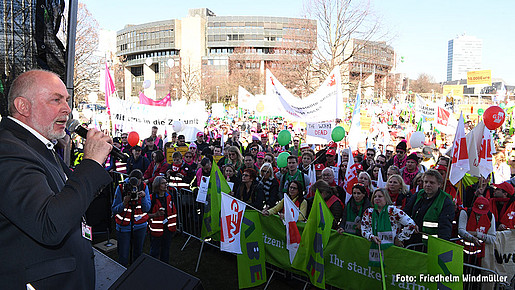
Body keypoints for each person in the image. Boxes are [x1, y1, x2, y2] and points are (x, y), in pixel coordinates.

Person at [0, 70, 113, 288]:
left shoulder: (40, 147)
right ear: (23, 106)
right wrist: (90, 164)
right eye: (56, 99)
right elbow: (48, 223)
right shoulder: (8, 150)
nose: (67, 109)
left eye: (67, 100)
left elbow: (65, 201)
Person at [404, 169, 455, 244]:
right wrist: (410, 224)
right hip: (412, 240)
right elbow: (406, 212)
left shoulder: (445, 201)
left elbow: (445, 228)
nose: (428, 185)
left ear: (439, 184)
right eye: (426, 182)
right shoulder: (418, 195)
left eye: (432, 182)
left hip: (431, 244)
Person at [112, 168, 151, 266]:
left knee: (138, 253)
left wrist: (143, 197)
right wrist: (124, 203)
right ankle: (123, 274)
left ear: (141, 181)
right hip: (124, 226)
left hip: (140, 226)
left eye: (137, 184)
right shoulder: (121, 188)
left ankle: (136, 274)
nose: (135, 187)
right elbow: (114, 209)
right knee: (123, 256)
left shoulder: (144, 187)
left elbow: (147, 208)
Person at [457, 196, 496, 266]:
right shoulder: (465, 212)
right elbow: (461, 230)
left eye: (481, 212)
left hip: (479, 256)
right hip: (461, 251)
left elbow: (492, 238)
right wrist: (472, 238)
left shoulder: (490, 216)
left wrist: (477, 234)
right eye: (477, 212)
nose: (479, 214)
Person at [148, 176, 177, 263]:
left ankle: (165, 267)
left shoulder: (169, 196)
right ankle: (154, 267)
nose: (166, 185)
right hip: (156, 230)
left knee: (166, 250)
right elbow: (146, 215)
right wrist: (155, 215)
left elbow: (173, 211)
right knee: (155, 251)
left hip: (168, 229)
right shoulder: (151, 198)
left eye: (166, 183)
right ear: (157, 185)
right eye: (163, 183)